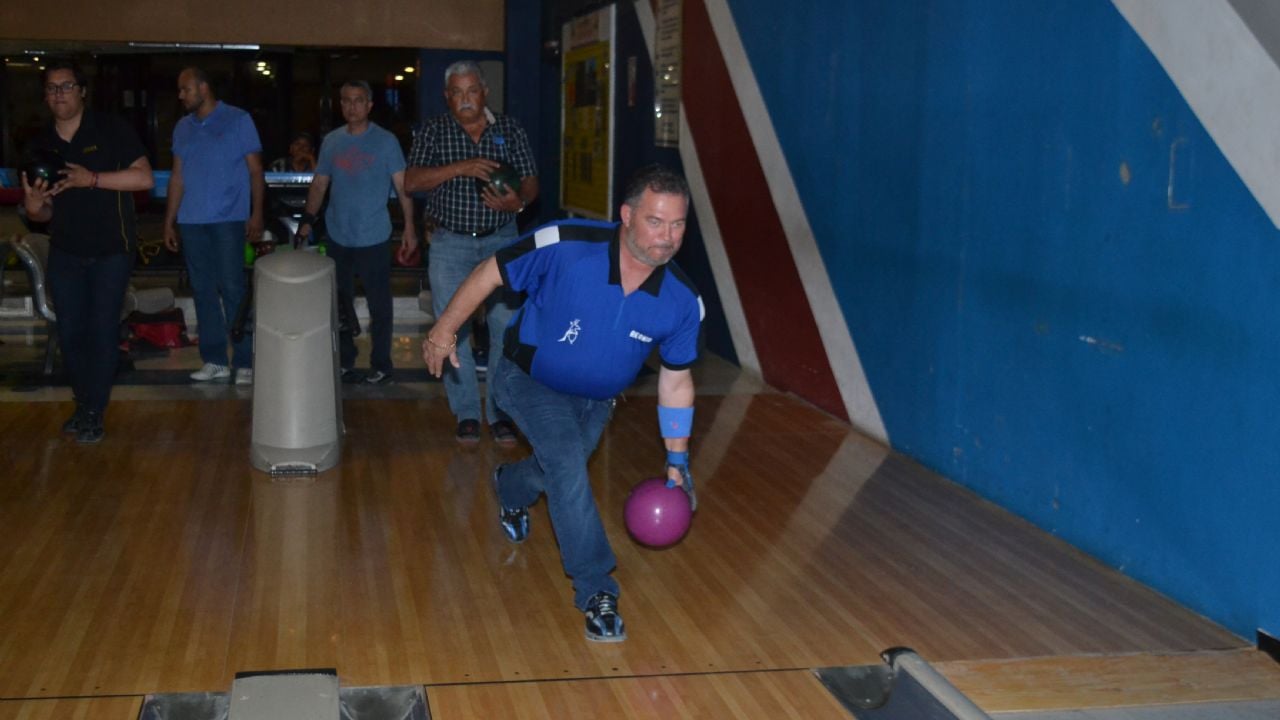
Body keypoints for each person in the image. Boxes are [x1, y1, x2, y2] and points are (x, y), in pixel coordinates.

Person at [423, 165, 702, 643]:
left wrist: (677, 460)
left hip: (596, 401)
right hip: (527, 379)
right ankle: (596, 590)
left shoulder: (681, 301)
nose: (667, 237)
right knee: (569, 465)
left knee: (556, 468)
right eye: (656, 221)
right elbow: (489, 272)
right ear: (627, 215)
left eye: (678, 224)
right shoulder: (566, 243)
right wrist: (443, 330)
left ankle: (510, 486)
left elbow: (676, 383)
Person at [20, 60, 155, 443]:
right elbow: (42, 212)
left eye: (66, 86)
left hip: (113, 248)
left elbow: (143, 177)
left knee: (100, 332)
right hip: (66, 249)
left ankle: (93, 410)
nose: (58, 94)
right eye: (51, 88)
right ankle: (84, 404)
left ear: (82, 91)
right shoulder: (38, 143)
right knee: (71, 333)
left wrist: (91, 179)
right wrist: (34, 208)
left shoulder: (111, 130)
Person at [405, 59, 538, 446]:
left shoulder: (509, 128)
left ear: (485, 92)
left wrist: (518, 201)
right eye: (457, 93)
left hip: (503, 239)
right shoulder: (433, 130)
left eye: (472, 91)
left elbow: (531, 181)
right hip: (450, 244)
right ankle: (466, 413)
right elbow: (412, 181)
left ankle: (498, 412)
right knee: (453, 329)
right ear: (447, 97)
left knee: (505, 328)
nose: (465, 99)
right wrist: (461, 167)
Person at [296, 80, 417, 384]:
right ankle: (345, 361)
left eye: (358, 100)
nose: (352, 106)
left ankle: (381, 364)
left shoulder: (386, 142)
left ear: (370, 105)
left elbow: (403, 188)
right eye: (346, 100)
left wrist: (410, 228)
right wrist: (308, 219)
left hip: (374, 237)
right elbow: (320, 183)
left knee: (380, 306)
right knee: (339, 304)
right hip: (338, 236)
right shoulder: (332, 141)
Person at [162, 66, 264, 386]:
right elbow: (177, 178)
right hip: (191, 222)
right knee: (203, 291)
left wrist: (257, 213)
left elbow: (256, 172)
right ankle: (215, 360)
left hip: (228, 220)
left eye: (185, 89)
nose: (181, 95)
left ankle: (245, 360)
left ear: (203, 88)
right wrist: (169, 221)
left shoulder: (238, 120)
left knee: (233, 288)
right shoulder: (182, 127)